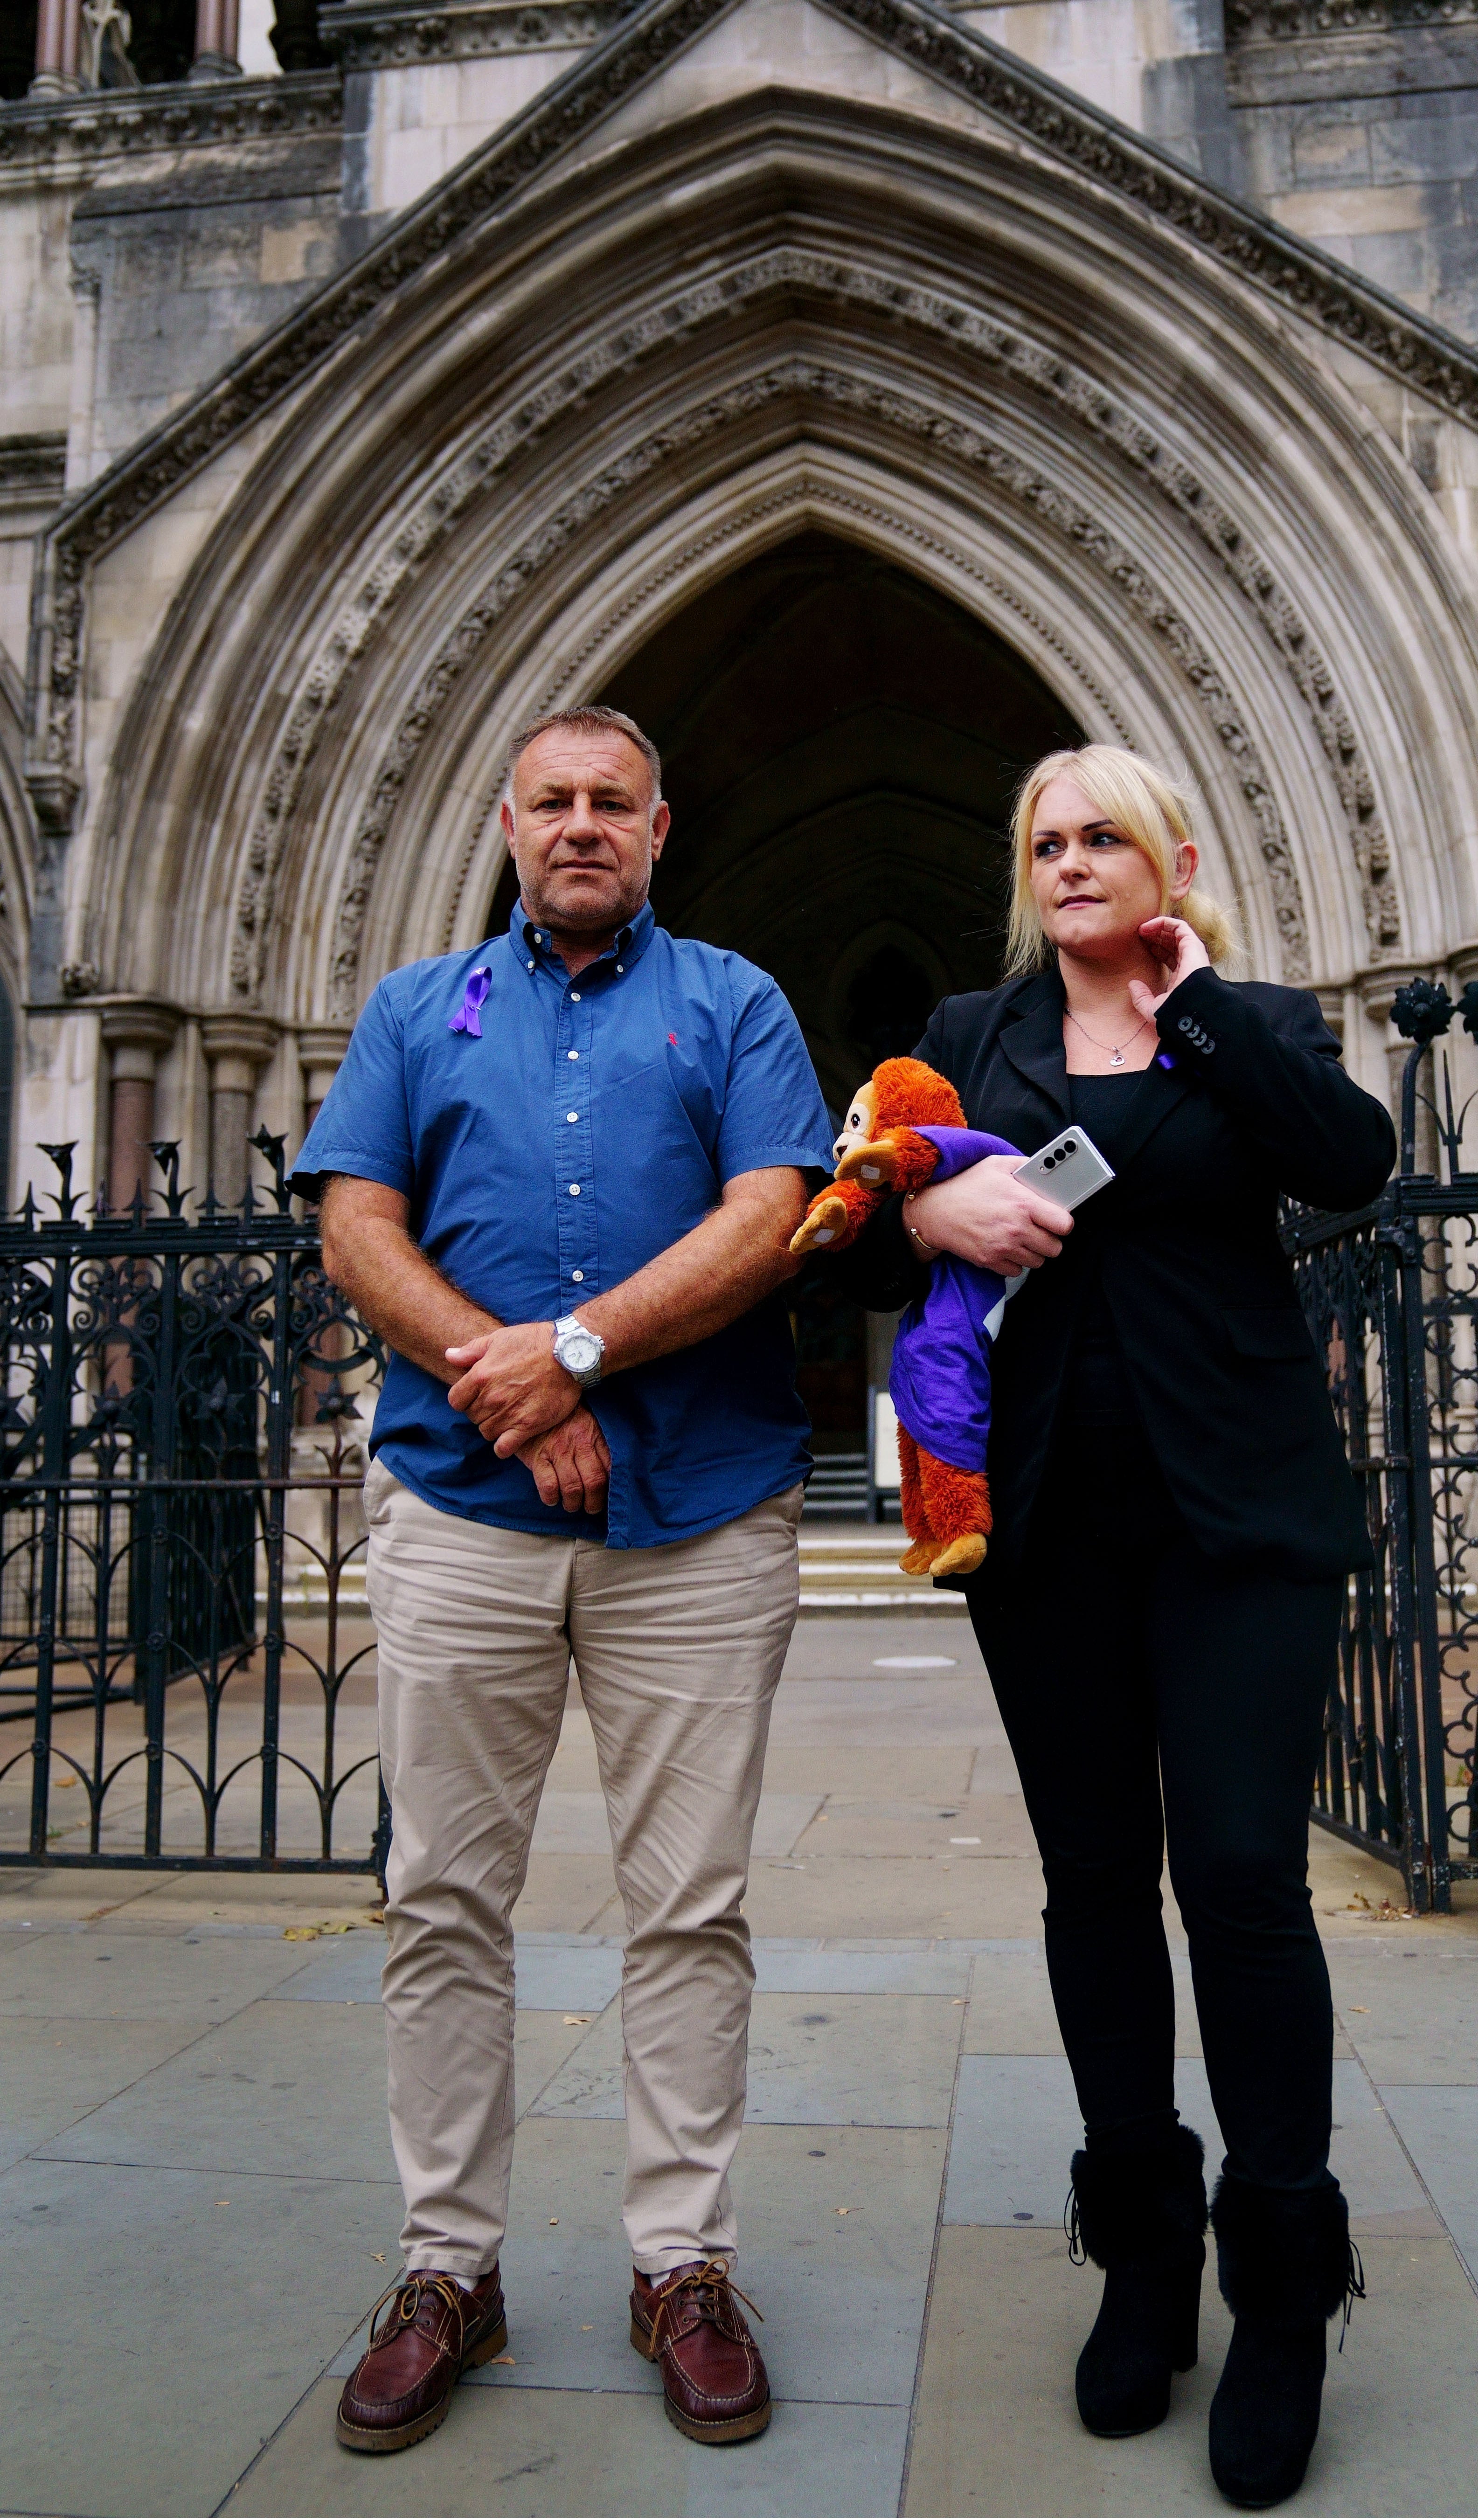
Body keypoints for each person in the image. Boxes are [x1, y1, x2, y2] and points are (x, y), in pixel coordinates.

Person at [832, 745, 1395, 2510]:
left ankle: (1281, 2288)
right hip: (1051, 1522)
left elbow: (1350, 1166)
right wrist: (928, 1203)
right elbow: (847, 1228)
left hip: (1241, 1521)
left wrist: (1200, 1002)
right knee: (1094, 1883)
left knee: (1239, 1879)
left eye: (1103, 838)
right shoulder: (973, 1028)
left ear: (1172, 857)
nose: (1072, 862)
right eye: (1047, 841)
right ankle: (1143, 2255)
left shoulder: (1253, 1019)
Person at [291, 704, 833, 2457]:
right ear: (505, 820)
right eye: (554, 802)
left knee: (691, 1903)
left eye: (614, 802)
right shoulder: (411, 1008)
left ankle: (681, 2263)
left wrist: (579, 1350)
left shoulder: (735, 1001)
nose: (582, 825)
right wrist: (505, 1384)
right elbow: (356, 1226)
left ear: (660, 827)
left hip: (701, 1520)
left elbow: (776, 1212)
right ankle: (449, 2266)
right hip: (463, 1513)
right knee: (442, 1895)